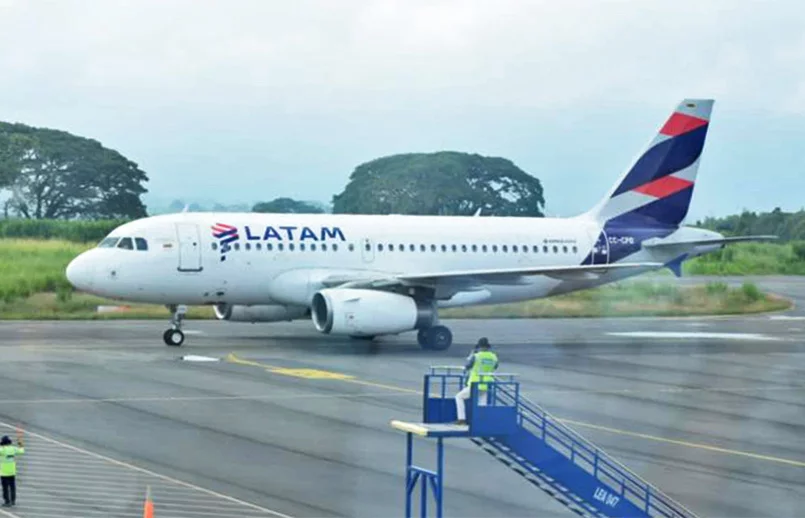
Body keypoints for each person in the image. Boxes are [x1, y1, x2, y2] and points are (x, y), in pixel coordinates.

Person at [455, 337, 499, 425]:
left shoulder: (476, 356)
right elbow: (495, 367)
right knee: (482, 403)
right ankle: (481, 422)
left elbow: (467, 366)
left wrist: (471, 355)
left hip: (475, 383)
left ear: (479, 347)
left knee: (459, 397)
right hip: (487, 383)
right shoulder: (493, 357)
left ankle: (462, 419)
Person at [0, 435, 24, 507]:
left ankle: (7, 501)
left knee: (5, 488)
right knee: (12, 487)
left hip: (4, 473)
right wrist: (20, 443)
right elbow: (22, 451)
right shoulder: (13, 449)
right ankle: (13, 500)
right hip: (12, 472)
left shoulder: (2, 450)